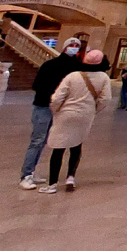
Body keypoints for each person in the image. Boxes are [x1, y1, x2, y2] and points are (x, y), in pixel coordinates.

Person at [38, 49, 110, 193]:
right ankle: (70, 176)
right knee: (76, 145)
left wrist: (55, 110)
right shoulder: (103, 77)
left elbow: (57, 97)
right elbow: (105, 99)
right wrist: (93, 109)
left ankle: (52, 184)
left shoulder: (73, 76)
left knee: (58, 148)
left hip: (67, 113)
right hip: (85, 115)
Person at [20, 38, 84, 189]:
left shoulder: (78, 68)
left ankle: (32, 172)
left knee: (53, 141)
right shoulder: (50, 65)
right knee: (38, 140)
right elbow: (37, 85)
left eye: (77, 46)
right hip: (44, 106)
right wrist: (54, 98)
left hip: (63, 110)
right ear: (65, 47)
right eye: (71, 45)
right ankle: (26, 175)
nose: (74, 48)